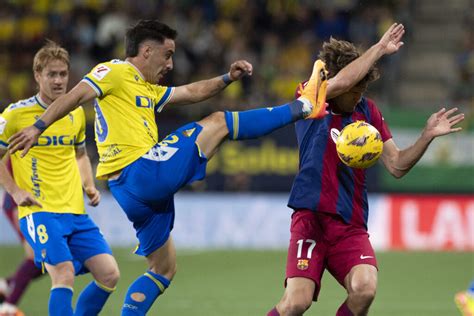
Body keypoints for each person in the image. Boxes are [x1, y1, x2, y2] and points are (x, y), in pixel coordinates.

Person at [8, 20, 404, 315]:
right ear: (145, 51)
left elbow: (188, 92)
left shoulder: (143, 89)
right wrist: (39, 125)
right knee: (216, 124)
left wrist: (225, 78)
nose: (170, 63)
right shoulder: (113, 71)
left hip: (137, 195)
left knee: (162, 269)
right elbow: (77, 96)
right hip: (138, 172)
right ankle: (301, 107)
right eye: (167, 55)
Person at [266, 39, 465, 315]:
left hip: (350, 224)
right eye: (356, 88)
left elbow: (396, 165)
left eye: (364, 88)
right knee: (296, 303)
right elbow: (340, 83)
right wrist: (380, 49)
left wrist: (426, 136)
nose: (359, 94)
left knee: (365, 289)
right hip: (311, 220)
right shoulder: (312, 98)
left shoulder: (367, 111)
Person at [0, 40, 120, 316]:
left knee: (109, 274)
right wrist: (16, 192)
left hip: (75, 211)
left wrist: (88, 185)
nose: (58, 80)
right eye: (51, 74)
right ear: (37, 76)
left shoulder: (74, 113)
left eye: (63, 74)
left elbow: (80, 155)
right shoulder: (16, 115)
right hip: (39, 212)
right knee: (63, 273)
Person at [0, 158, 42, 315]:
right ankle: (8, 308)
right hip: (20, 201)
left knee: (49, 260)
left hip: (40, 200)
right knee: (36, 257)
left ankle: (6, 285)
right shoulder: (21, 134)